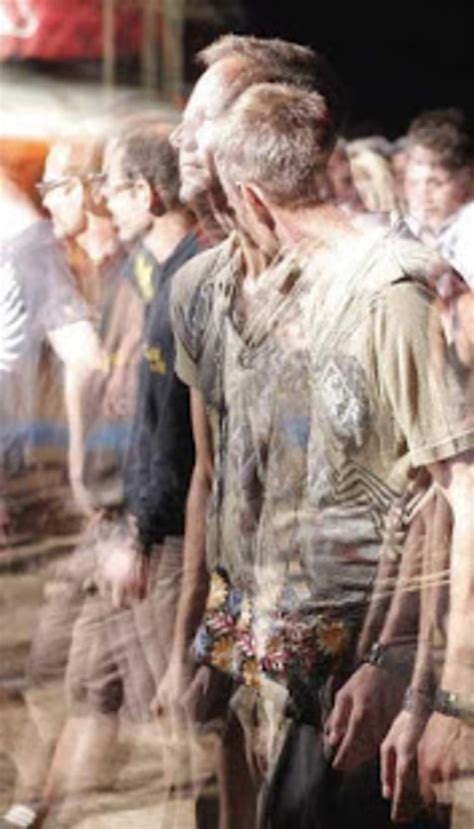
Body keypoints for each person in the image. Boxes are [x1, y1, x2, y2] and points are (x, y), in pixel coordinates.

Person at [171, 79, 474, 829]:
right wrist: (224, 648)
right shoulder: (295, 289)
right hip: (308, 680)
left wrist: (440, 696)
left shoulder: (394, 291)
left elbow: (459, 499)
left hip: (372, 686)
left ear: (251, 197)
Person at [403, 108, 474, 287]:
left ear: (467, 179)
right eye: (413, 182)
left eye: (436, 183)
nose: (423, 194)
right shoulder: (401, 230)